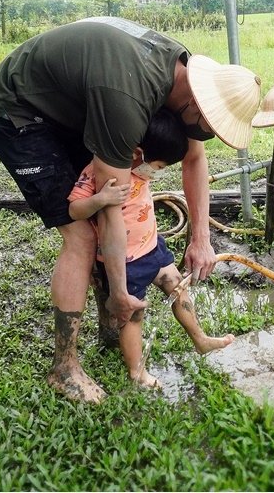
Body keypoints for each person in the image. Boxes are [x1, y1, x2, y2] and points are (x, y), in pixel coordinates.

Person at [0, 16, 274, 402]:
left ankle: (110, 325)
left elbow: (195, 159)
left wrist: (201, 238)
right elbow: (112, 207)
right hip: (20, 110)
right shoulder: (126, 100)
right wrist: (119, 290)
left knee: (102, 221)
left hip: (77, 104)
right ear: (197, 103)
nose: (207, 137)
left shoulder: (185, 81)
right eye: (210, 127)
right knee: (82, 234)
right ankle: (64, 366)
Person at [67, 109, 235, 389]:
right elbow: (74, 208)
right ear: (137, 154)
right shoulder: (99, 173)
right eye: (157, 167)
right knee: (133, 316)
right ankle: (137, 372)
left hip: (153, 246)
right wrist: (101, 199)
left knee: (178, 286)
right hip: (126, 261)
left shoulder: (140, 171)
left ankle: (200, 339)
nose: (156, 173)